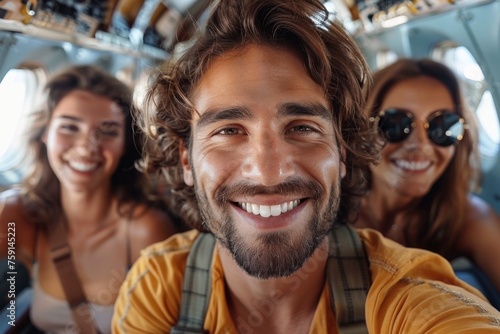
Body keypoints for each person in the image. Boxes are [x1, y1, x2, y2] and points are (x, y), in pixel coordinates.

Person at [112, 0, 500, 333]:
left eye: (302, 128)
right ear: (186, 160)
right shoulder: (159, 287)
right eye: (229, 130)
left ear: (344, 152)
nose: (268, 172)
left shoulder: (408, 300)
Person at [0, 65, 180, 333]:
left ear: (125, 145)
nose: (86, 146)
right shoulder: (20, 215)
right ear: (45, 135)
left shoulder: (146, 230)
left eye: (108, 131)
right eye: (70, 127)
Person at [352, 58, 500, 293]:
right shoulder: (329, 208)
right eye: (395, 124)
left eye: (442, 125)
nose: (421, 144)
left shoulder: (467, 218)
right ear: (362, 131)